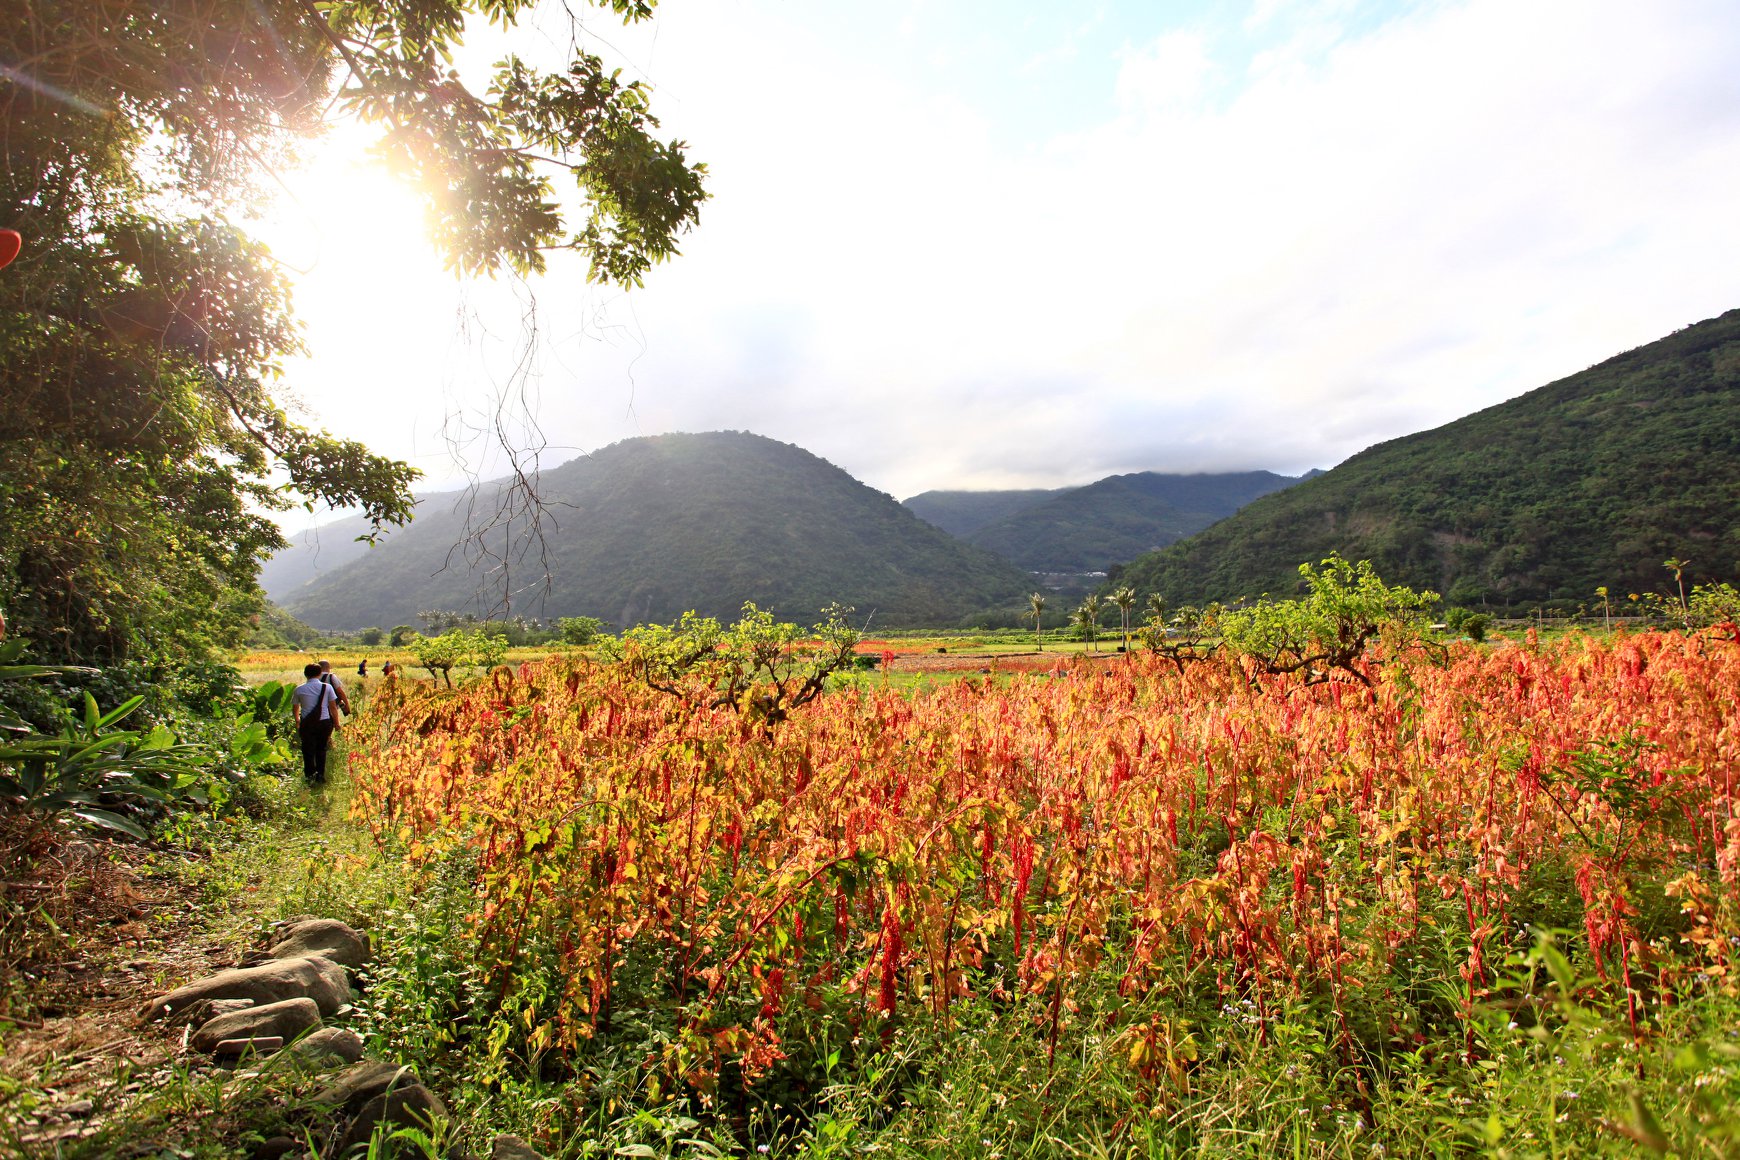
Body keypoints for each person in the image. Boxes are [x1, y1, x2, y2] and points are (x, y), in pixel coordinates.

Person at [292, 662, 340, 785]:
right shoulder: (327, 687)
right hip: (324, 722)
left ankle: (309, 776)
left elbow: (295, 708)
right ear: (319, 674)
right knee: (321, 749)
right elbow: (333, 707)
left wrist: (297, 721)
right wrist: (337, 723)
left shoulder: (299, 689)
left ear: (305, 674)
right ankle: (320, 775)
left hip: (307, 724)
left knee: (308, 750)